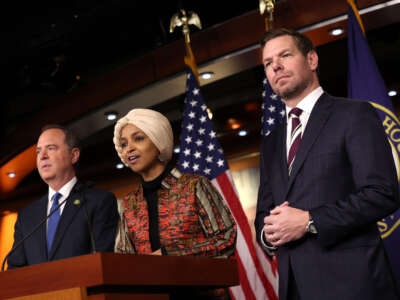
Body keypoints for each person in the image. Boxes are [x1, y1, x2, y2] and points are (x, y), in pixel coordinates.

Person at [254, 28, 400, 300]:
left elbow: (383, 193)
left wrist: (310, 221)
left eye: (285, 55)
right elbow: (265, 211)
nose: (276, 66)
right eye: (268, 63)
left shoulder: (354, 114)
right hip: (294, 286)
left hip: (352, 285)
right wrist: (268, 234)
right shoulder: (271, 142)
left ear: (312, 60)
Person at [113, 108, 236, 298]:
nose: (129, 148)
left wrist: (169, 255)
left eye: (138, 138)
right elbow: (123, 262)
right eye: (123, 143)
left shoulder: (194, 185)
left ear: (158, 141)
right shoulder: (129, 204)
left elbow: (226, 239)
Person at [7, 125, 118, 269]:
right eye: (38, 151)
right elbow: (15, 270)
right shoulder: (26, 216)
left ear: (74, 155)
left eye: (51, 148)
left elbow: (104, 260)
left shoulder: (99, 201)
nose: (42, 156)